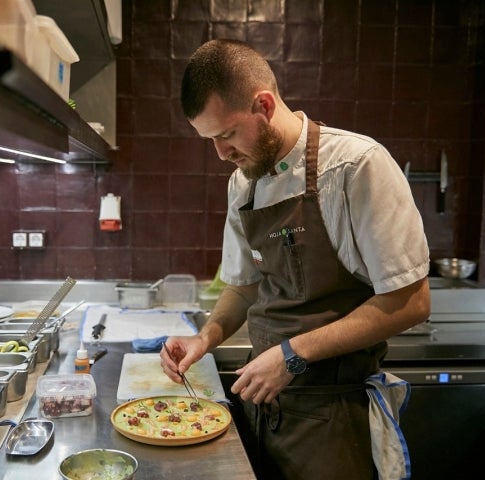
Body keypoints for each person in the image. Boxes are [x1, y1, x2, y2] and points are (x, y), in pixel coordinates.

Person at [161, 39, 431, 480]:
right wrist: (205, 338)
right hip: (264, 406)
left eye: (226, 134)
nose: (221, 154)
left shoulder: (355, 166)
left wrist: (292, 354)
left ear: (263, 105)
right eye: (210, 139)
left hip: (333, 416)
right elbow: (244, 285)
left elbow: (412, 301)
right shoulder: (242, 183)